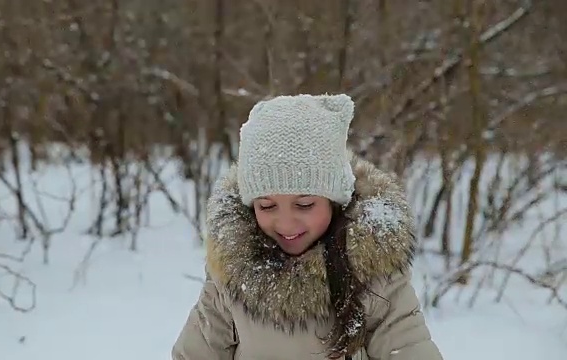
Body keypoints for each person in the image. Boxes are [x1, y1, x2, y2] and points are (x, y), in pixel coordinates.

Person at [172, 94, 444, 360]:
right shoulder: (232, 276)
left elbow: (409, 348)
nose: (286, 223)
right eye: (267, 206)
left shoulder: (374, 275)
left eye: (304, 205)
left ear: (334, 200)